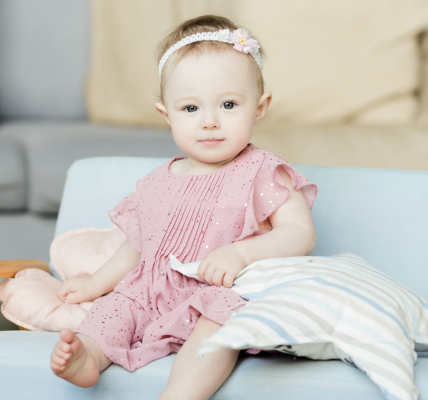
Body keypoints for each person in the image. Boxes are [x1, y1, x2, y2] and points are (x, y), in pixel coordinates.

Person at [50, 15, 317, 400]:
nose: (209, 122)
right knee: (115, 308)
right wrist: (96, 283)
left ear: (260, 107)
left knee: (220, 320)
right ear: (167, 115)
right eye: (191, 108)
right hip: (151, 295)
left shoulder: (264, 171)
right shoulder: (157, 182)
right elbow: (138, 247)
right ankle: (88, 355)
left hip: (218, 292)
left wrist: (241, 254)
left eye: (228, 104)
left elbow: (300, 233)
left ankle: (180, 393)